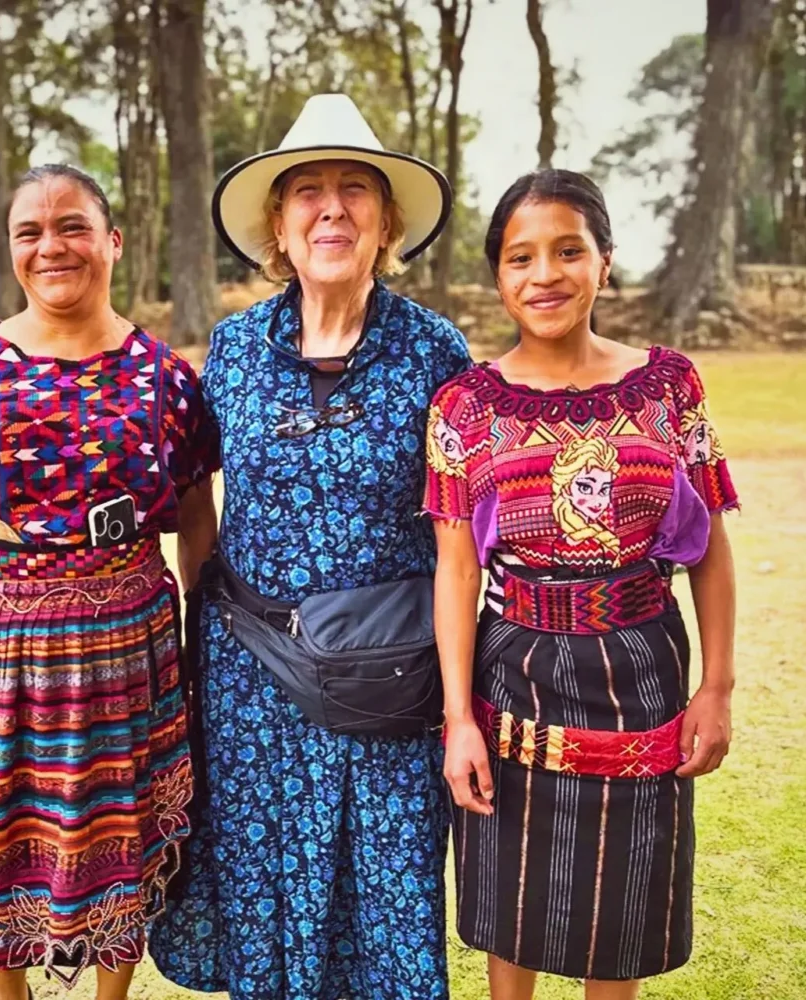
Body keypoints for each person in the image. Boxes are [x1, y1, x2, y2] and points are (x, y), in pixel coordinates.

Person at [0, 164, 220, 1000]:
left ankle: (111, 995)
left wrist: (204, 643)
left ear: (112, 242)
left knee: (120, 828)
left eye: (73, 227)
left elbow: (197, 517)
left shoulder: (165, 377)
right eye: (31, 232)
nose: (52, 246)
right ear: (12, 250)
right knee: (1, 831)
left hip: (131, 653)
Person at [148, 94, 472, 1000]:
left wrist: (457, 702)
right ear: (279, 229)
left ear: (386, 223)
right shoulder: (236, 348)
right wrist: (199, 616)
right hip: (251, 676)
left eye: (355, 190)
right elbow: (191, 491)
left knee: (391, 890)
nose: (332, 208)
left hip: (391, 681)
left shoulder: (435, 354)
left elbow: (462, 537)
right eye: (309, 193)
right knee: (264, 880)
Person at [425, 168, 739, 1000]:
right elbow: (456, 570)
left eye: (569, 250)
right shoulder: (465, 407)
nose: (545, 275)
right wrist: (457, 718)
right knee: (511, 895)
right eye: (520, 257)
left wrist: (716, 688)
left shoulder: (669, 386)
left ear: (605, 262)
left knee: (623, 905)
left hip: (641, 666)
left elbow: (708, 548)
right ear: (498, 277)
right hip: (515, 668)